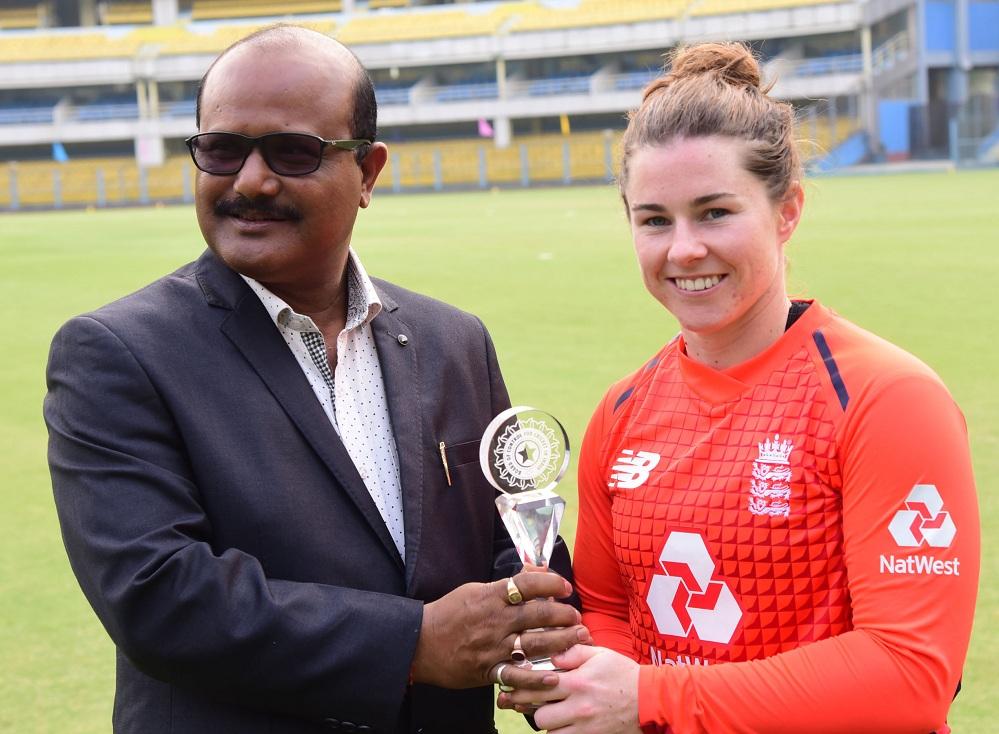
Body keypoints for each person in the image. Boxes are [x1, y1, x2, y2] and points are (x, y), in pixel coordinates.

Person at [44, 25, 586, 734]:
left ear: (368, 172)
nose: (251, 181)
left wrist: (535, 618)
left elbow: (507, 542)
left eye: (293, 152)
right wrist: (413, 645)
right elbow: (159, 596)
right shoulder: (117, 352)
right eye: (223, 149)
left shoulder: (454, 341)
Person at [498, 42, 979, 733]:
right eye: (654, 219)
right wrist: (578, 685)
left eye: (715, 212)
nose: (683, 248)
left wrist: (651, 700)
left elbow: (908, 675)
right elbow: (605, 614)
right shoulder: (621, 412)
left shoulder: (886, 398)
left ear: (786, 212)